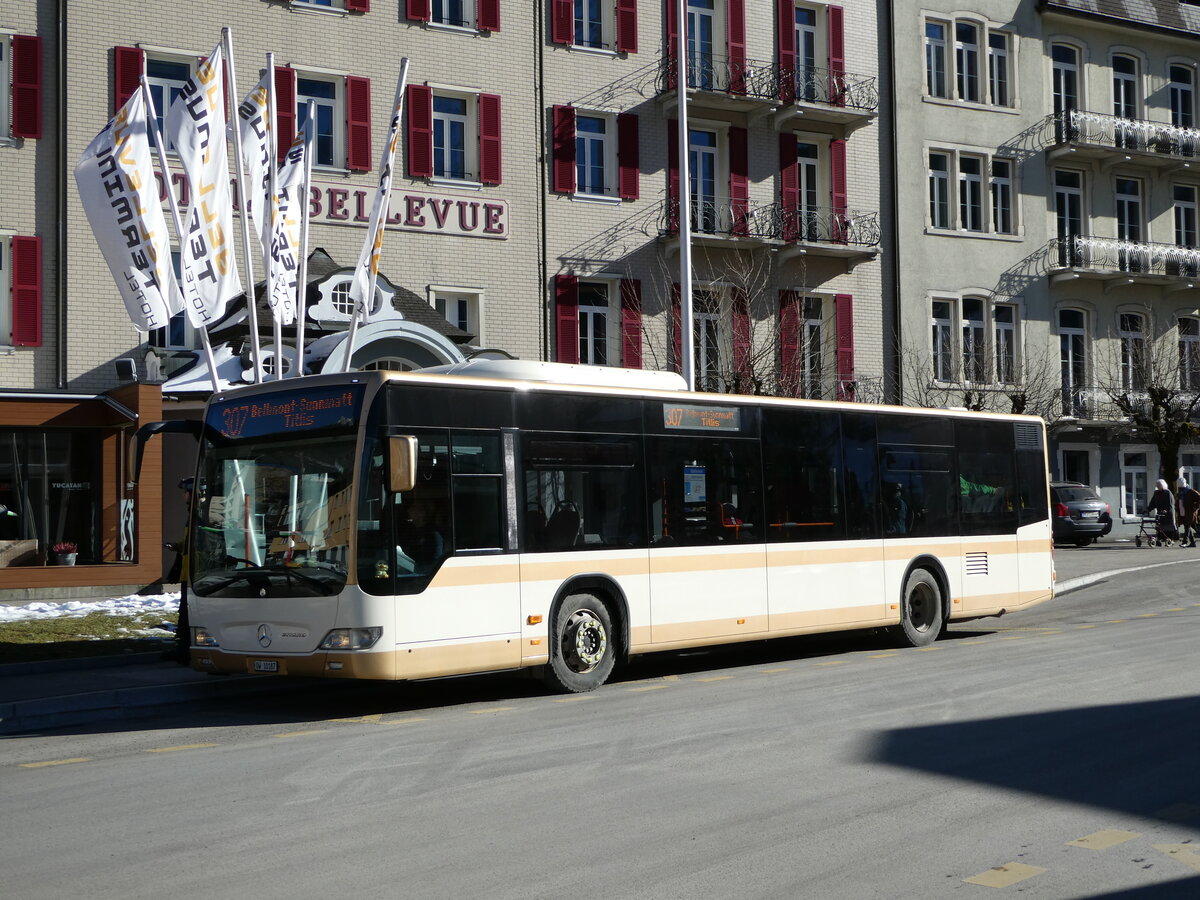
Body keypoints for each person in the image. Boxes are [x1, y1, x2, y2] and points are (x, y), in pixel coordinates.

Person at [164, 477, 192, 664]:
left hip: (193, 575)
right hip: (187, 574)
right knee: (184, 613)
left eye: (185, 492)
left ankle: (184, 652)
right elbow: (191, 542)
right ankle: (182, 649)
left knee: (187, 614)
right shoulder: (193, 515)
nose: (183, 496)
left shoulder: (200, 515)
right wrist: (177, 546)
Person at [1146, 478, 1177, 544]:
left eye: (1159, 486)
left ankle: (1169, 539)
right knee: (1159, 527)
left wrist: (1166, 510)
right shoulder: (1156, 493)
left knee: (1168, 527)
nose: (1158, 487)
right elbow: (1153, 502)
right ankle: (1159, 539)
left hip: (1168, 513)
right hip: (1160, 513)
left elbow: (1170, 504)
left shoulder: (1168, 493)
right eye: (1157, 486)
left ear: (1162, 485)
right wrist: (1148, 509)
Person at [1178, 481, 1200, 548]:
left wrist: (1194, 508)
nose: (1180, 488)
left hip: (1190, 513)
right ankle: (1193, 542)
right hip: (1183, 512)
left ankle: (1185, 542)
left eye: (1181, 487)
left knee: (1187, 527)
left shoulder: (1191, 492)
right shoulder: (1180, 493)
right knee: (1189, 527)